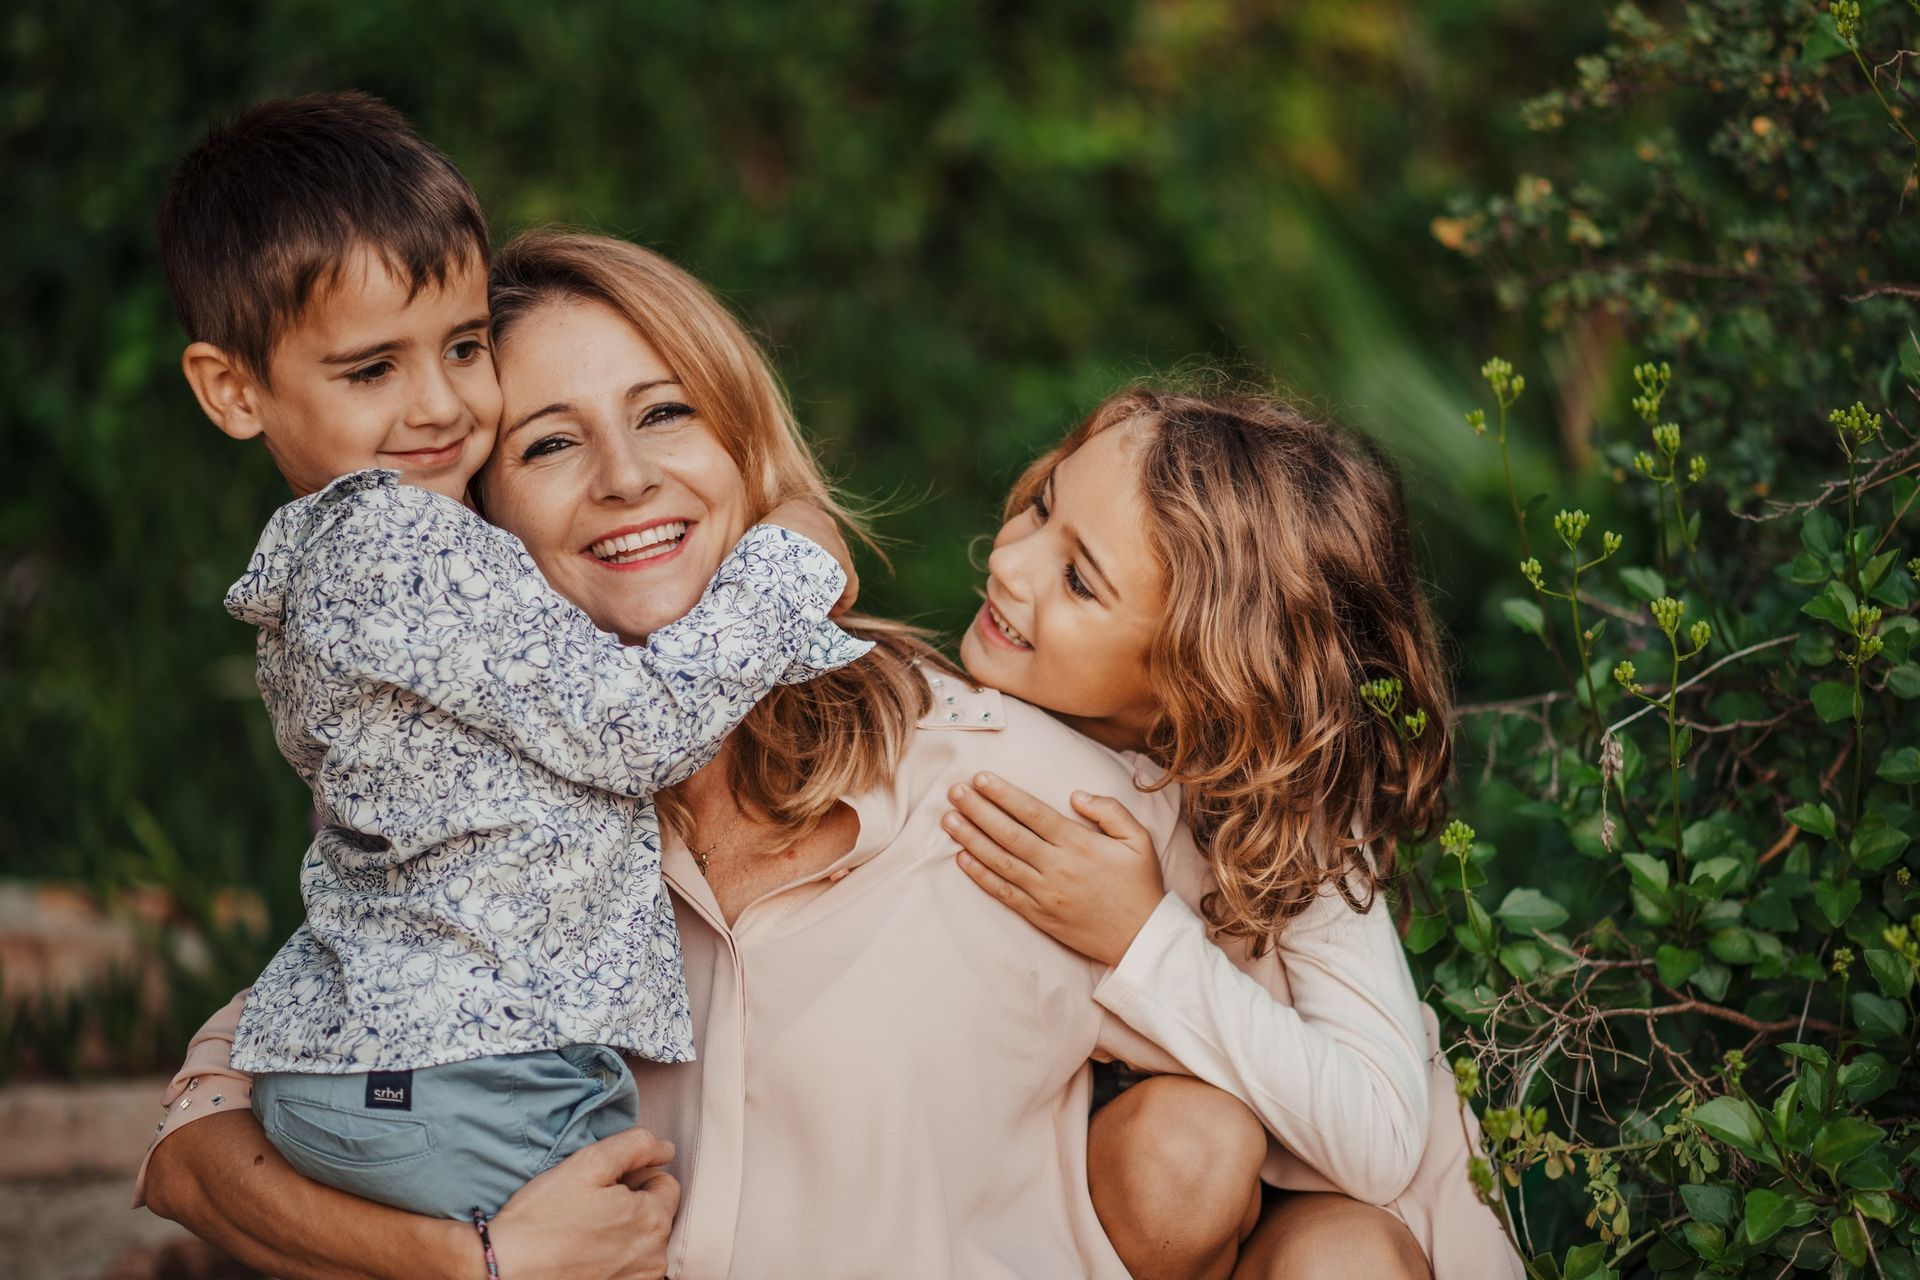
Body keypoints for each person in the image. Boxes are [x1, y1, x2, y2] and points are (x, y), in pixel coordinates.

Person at [138, 230, 1514, 1279]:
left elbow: (1387, 1145)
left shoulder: (1018, 792)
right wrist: (473, 1259)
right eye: (549, 443)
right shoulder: (468, 841)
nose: (625, 478)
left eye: (666, 412)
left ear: (747, 448)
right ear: (476, 532)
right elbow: (196, 1140)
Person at [156, 93, 871, 1223]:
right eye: (371, 370)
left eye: (463, 347)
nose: (439, 405)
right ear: (233, 390)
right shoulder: (397, 542)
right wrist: (791, 563)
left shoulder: (333, 555)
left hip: (394, 1064)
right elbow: (636, 727)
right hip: (471, 1075)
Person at [944, 387, 1522, 1278]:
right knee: (1189, 1150)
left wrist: (1139, 937)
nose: (1008, 562)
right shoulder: (961, 741)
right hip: (1078, 1199)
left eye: (1079, 580)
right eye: (1042, 508)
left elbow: (1379, 1136)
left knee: (1348, 1259)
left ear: (1197, 676)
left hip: (1284, 1214)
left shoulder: (1288, 815)